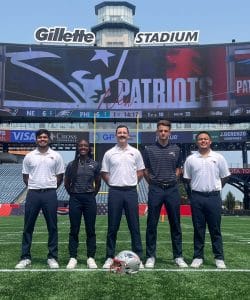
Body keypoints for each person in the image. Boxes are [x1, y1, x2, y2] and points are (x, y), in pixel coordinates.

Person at [15, 129, 64, 269]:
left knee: (52, 226)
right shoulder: (29, 156)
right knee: (28, 226)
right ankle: (25, 257)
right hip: (33, 194)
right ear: (36, 139)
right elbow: (25, 176)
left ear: (49, 139)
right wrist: (34, 186)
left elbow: (60, 175)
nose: (42, 139)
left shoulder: (56, 156)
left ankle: (52, 257)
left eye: (45, 137)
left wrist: (51, 187)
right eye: (40, 137)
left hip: (50, 194)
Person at [143, 120, 188, 268]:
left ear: (170, 133)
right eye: (160, 130)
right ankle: (150, 256)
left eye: (165, 131)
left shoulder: (176, 149)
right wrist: (154, 183)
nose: (163, 133)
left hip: (172, 189)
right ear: (157, 132)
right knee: (152, 224)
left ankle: (178, 256)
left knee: (176, 223)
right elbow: (145, 170)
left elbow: (178, 169)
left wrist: (173, 179)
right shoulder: (149, 149)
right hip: (156, 189)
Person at [183, 131, 230, 269]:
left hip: (213, 197)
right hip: (197, 197)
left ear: (210, 141)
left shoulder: (218, 157)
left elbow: (225, 176)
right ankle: (198, 257)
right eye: (200, 139)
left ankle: (219, 257)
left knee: (215, 228)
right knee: (198, 229)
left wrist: (217, 187)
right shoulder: (191, 159)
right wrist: (192, 195)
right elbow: (186, 179)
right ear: (197, 142)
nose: (203, 141)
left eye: (205, 139)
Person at [101, 125, 145, 269]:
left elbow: (140, 172)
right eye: (119, 132)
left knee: (134, 226)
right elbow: (104, 173)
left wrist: (130, 183)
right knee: (112, 227)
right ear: (116, 135)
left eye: (124, 132)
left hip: (131, 192)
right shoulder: (109, 153)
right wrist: (114, 184)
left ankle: (138, 257)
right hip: (115, 192)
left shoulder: (135, 152)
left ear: (128, 135)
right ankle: (109, 257)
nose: (122, 135)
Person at [64, 139, 101, 269]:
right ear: (77, 148)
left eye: (85, 145)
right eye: (81, 145)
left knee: (90, 229)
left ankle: (90, 257)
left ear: (89, 148)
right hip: (75, 199)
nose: (83, 147)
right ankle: (73, 257)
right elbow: (66, 183)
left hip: (89, 199)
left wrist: (91, 195)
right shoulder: (71, 164)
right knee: (74, 229)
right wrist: (74, 194)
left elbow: (98, 182)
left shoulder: (95, 164)